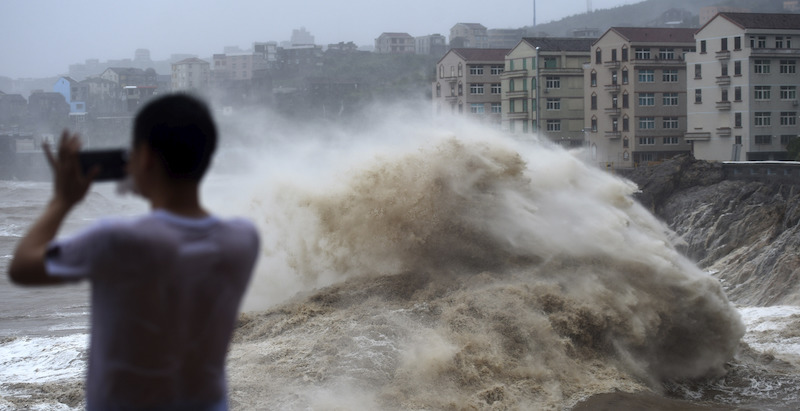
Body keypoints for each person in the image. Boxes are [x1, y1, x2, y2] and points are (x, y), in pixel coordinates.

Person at [8, 93, 260, 411]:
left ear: (146, 157)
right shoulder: (243, 240)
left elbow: (22, 266)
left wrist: (63, 200)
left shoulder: (116, 240)